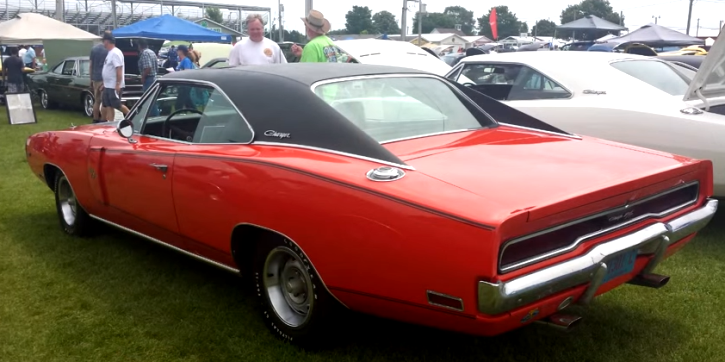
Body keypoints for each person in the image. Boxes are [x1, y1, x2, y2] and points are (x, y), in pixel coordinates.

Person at [100, 32, 129, 122]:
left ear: (107, 41)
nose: (103, 43)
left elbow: (118, 68)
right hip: (108, 85)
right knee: (108, 105)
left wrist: (117, 83)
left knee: (117, 104)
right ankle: (111, 123)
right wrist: (104, 84)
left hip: (114, 85)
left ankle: (131, 116)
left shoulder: (116, 53)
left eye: (104, 41)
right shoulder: (109, 53)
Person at [89, 32, 109, 123]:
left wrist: (91, 78)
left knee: (96, 101)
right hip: (104, 78)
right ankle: (103, 119)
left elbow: (91, 65)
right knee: (104, 101)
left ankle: (95, 119)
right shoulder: (107, 50)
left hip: (95, 78)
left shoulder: (94, 49)